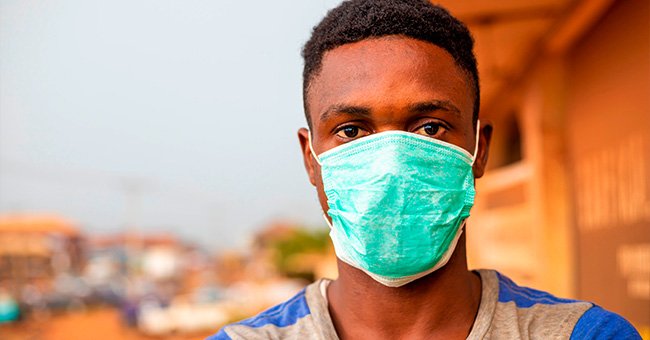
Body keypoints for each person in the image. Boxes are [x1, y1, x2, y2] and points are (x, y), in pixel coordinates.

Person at [209, 0, 641, 339]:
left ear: (479, 149)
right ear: (311, 159)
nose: (391, 162)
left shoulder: (584, 335)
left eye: (430, 127)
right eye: (351, 130)